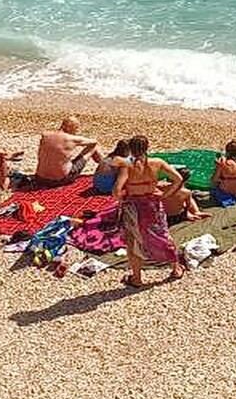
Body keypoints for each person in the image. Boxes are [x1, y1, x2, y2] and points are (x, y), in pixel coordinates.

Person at [106, 135, 188, 286]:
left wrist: (124, 197)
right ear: (147, 147)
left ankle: (136, 278)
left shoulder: (127, 166)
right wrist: (165, 194)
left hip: (134, 207)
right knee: (162, 235)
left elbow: (116, 191)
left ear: (130, 149)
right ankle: (176, 268)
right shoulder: (157, 162)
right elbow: (178, 179)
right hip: (152, 204)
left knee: (133, 241)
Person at [34, 117, 103, 183]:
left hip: (40, 178)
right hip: (60, 180)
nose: (76, 131)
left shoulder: (45, 135)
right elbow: (94, 141)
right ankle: (104, 167)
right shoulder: (70, 138)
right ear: (68, 127)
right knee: (94, 146)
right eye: (76, 128)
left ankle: (104, 166)